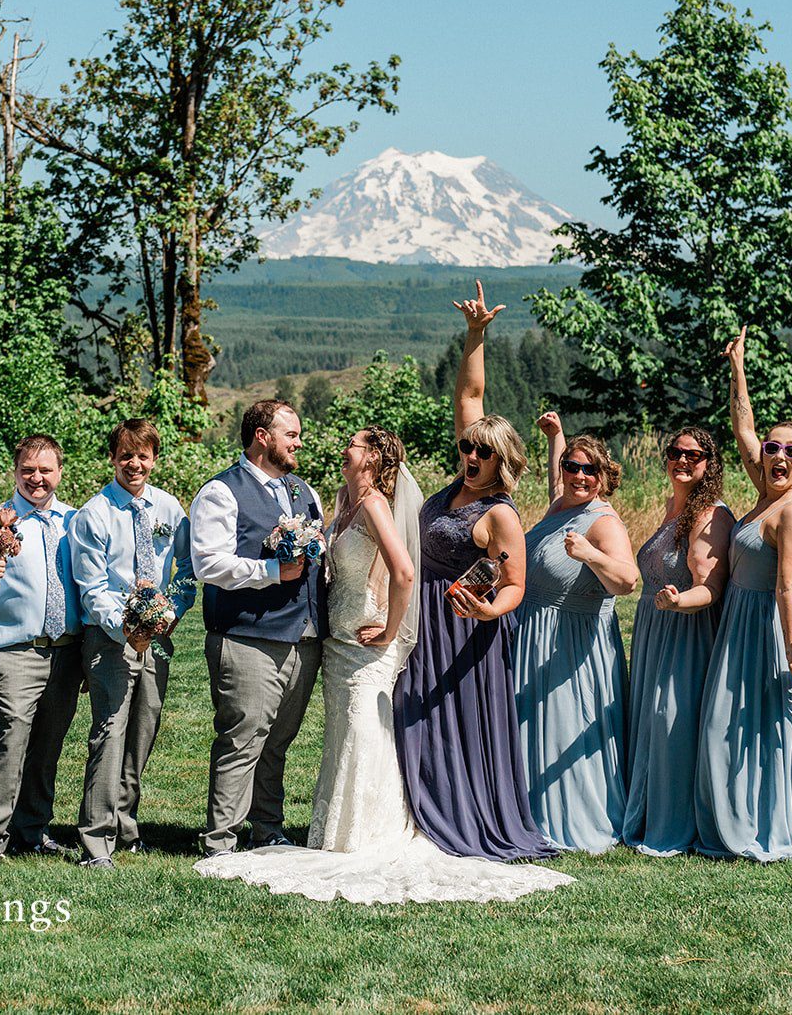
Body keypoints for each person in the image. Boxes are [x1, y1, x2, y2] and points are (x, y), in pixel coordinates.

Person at [196, 427, 572, 902]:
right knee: (343, 734)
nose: (341, 447)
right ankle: (338, 832)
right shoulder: (339, 497)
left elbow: (405, 571)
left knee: (363, 732)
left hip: (368, 638)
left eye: (351, 443)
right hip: (338, 638)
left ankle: (366, 837)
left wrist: (392, 629)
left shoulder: (376, 504)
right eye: (466, 447)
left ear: (372, 457)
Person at [392, 284, 555, 862]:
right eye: (467, 447)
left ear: (502, 462)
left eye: (482, 452)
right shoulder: (456, 487)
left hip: (464, 628)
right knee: (412, 709)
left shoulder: (500, 515)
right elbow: (470, 393)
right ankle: (415, 807)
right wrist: (476, 334)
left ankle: (462, 813)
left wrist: (487, 610)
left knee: (453, 720)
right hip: (423, 618)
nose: (469, 456)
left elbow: (515, 586)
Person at [694, 328, 792, 862]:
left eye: (791, 450)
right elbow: (742, 424)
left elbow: (788, 588)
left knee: (760, 733)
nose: (778, 455)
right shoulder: (764, 490)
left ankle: (768, 826)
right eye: (772, 448)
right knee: (726, 725)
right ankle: (734, 822)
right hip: (738, 621)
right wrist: (738, 366)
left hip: (770, 628)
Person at [191, 399, 326, 855]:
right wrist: (270, 571)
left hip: (303, 638)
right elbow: (208, 563)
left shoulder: (304, 491)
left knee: (279, 742)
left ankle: (267, 829)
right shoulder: (221, 492)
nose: (299, 442)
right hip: (247, 636)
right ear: (262, 436)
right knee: (243, 739)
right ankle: (220, 842)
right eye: (292, 434)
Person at [70, 419, 196, 868]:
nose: (134, 464)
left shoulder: (168, 508)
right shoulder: (94, 513)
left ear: (154, 459)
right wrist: (127, 627)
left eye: (143, 455)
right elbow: (92, 586)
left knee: (143, 730)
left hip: (157, 636)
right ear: (113, 458)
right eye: (126, 455)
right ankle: (95, 839)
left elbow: (186, 572)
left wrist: (169, 613)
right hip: (111, 637)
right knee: (110, 731)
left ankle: (125, 823)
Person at [512, 415, 639, 853]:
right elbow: (557, 483)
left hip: (570, 644)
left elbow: (627, 581)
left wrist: (589, 554)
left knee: (562, 728)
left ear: (604, 478)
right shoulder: (560, 504)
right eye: (571, 466)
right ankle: (522, 810)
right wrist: (556, 440)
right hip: (534, 631)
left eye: (589, 470)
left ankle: (570, 818)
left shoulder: (602, 522)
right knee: (532, 725)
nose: (578, 476)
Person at [0, 434, 85, 866]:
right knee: (12, 739)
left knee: (49, 745)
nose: (37, 478)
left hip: (67, 651)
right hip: (17, 650)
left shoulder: (75, 522)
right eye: (28, 470)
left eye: (46, 470)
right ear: (15, 471)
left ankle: (32, 829)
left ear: (59, 473)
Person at [624, 426, 733, 857]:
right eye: (675, 452)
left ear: (710, 464)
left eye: (694, 455)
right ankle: (649, 810)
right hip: (656, 628)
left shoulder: (711, 515)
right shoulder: (674, 506)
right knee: (650, 721)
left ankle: (675, 821)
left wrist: (678, 601)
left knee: (673, 723)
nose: (682, 460)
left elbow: (712, 587)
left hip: (686, 631)